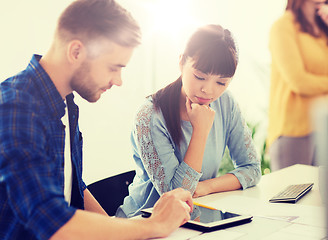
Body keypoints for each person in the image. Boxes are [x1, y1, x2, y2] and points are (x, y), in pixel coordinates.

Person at [0, 0, 193, 239]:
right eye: (114, 67)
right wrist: (154, 225)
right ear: (76, 51)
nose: (119, 80)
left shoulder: (65, 103)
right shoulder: (16, 107)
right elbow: (51, 220)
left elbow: (72, 186)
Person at [117, 24, 262, 218]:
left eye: (221, 82)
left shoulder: (226, 103)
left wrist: (207, 187)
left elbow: (252, 168)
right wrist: (200, 131)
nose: (208, 90)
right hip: (146, 222)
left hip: (201, 216)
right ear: (181, 63)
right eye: (200, 77)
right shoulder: (150, 115)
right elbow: (178, 196)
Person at [267, 0, 328, 171]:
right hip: (294, 130)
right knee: (293, 194)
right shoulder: (283, 27)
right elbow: (298, 81)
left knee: (326, 196)